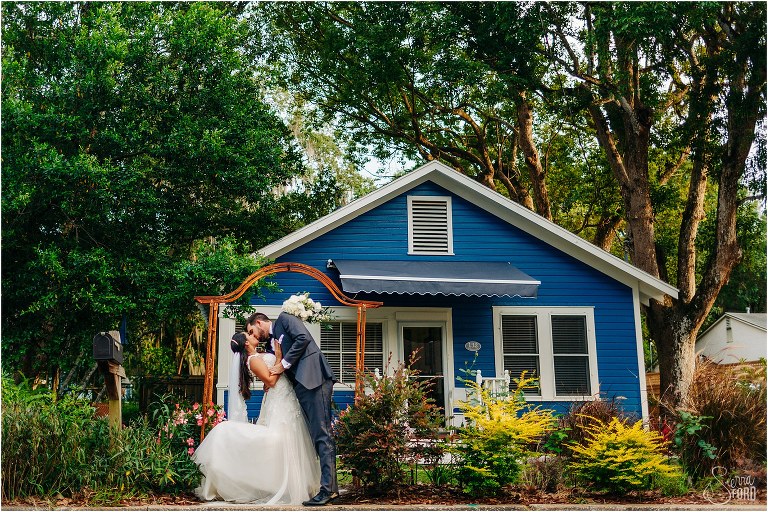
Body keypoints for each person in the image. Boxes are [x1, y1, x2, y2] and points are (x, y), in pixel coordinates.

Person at [192, 332, 320, 505]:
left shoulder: (257, 356)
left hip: (283, 396)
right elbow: (271, 381)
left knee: (291, 438)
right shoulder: (252, 359)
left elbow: (269, 381)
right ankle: (284, 483)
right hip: (279, 398)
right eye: (249, 335)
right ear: (246, 344)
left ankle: (298, 482)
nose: (253, 335)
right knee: (281, 439)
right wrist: (279, 358)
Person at [247, 311, 339, 506]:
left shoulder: (284, 319)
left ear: (258, 322)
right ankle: (329, 486)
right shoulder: (270, 342)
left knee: (322, 434)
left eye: (252, 331)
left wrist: (283, 365)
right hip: (300, 387)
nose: (254, 336)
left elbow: (303, 339)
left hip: (315, 380)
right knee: (316, 436)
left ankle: (328, 490)